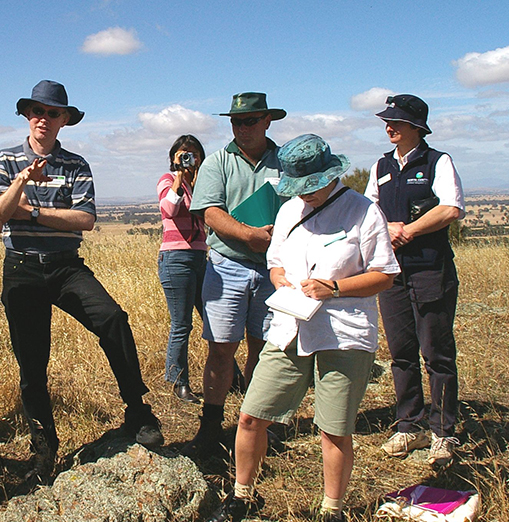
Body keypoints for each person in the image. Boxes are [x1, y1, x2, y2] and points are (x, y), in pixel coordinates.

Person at [207, 134, 399, 522]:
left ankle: (332, 510)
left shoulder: (363, 211)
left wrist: (335, 288)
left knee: (334, 429)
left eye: (312, 186)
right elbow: (275, 261)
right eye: (300, 188)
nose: (306, 195)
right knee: (250, 416)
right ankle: (242, 496)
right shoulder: (288, 211)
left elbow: (385, 275)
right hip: (289, 327)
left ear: (331, 174)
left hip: (343, 333)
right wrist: (279, 279)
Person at [0, 80, 163, 482]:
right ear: (27, 115)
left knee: (113, 318)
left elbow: (85, 219)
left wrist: (30, 213)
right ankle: (44, 451)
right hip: (22, 267)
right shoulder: (5, 159)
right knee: (32, 364)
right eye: (36, 111)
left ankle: (137, 410)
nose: (42, 119)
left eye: (52, 113)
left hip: (66, 266)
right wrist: (21, 184)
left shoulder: (76, 165)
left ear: (65, 119)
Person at [363, 94, 465, 468]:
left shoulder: (438, 161)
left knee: (436, 352)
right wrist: (385, 228)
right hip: (391, 273)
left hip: (430, 268)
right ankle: (409, 423)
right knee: (401, 351)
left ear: (417, 127)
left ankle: (443, 431)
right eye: (387, 122)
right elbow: (368, 208)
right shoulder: (381, 165)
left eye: (398, 123)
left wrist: (408, 231)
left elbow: (451, 207)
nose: (389, 127)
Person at [184, 92, 285, 457]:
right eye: (236, 121)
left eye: (250, 120)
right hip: (228, 267)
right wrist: (249, 236)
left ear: (267, 121)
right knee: (221, 349)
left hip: (275, 270)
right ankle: (210, 428)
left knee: (264, 348)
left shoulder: (285, 162)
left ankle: (255, 425)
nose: (242, 128)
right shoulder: (217, 163)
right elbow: (210, 212)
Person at [157, 135, 208, 403]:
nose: (188, 158)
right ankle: (179, 382)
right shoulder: (167, 181)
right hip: (176, 258)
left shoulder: (201, 184)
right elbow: (169, 209)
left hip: (201, 257)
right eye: (183, 153)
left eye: (193, 154)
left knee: (215, 319)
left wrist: (198, 179)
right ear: (173, 157)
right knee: (181, 324)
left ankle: (230, 374)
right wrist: (178, 175)